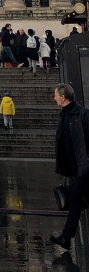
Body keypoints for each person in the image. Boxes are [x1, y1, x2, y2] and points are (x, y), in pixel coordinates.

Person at [49, 82, 89, 251]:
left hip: (83, 167)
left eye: (56, 95)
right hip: (74, 168)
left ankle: (66, 237)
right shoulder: (64, 114)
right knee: (77, 201)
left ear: (63, 97)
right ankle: (66, 237)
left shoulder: (81, 114)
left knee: (75, 200)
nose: (54, 98)